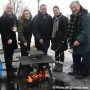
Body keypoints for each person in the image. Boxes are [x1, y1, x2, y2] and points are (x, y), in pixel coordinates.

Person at [68, 1, 90, 79]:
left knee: (85, 59)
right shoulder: (74, 16)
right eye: (72, 8)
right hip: (75, 41)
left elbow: (86, 30)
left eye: (75, 7)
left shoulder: (86, 16)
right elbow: (71, 29)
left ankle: (84, 73)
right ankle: (76, 70)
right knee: (75, 57)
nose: (73, 9)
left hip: (85, 42)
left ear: (79, 5)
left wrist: (79, 40)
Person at [32, 4, 53, 72]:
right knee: (40, 53)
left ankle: (44, 66)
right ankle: (40, 67)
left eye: (45, 9)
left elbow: (51, 28)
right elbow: (35, 30)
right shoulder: (36, 18)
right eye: (42, 9)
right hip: (39, 40)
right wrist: (39, 38)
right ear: (40, 9)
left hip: (47, 40)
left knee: (45, 52)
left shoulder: (49, 17)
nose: (44, 10)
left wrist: (50, 37)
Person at [0, 3, 18, 76]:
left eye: (11, 8)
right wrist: (7, 39)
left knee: (11, 53)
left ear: (12, 9)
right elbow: (2, 30)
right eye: (8, 8)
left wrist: (16, 28)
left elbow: (16, 25)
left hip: (13, 38)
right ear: (6, 8)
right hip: (6, 40)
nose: (9, 9)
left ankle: (10, 67)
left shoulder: (14, 16)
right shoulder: (2, 18)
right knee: (7, 55)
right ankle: (8, 70)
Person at [51, 6, 68, 72]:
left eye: (56, 10)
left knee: (61, 52)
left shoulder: (64, 18)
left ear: (59, 10)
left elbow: (65, 29)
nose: (55, 12)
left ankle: (60, 66)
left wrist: (64, 39)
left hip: (61, 39)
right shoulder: (53, 19)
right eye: (54, 11)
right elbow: (51, 29)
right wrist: (52, 38)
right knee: (56, 52)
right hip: (55, 39)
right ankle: (56, 65)